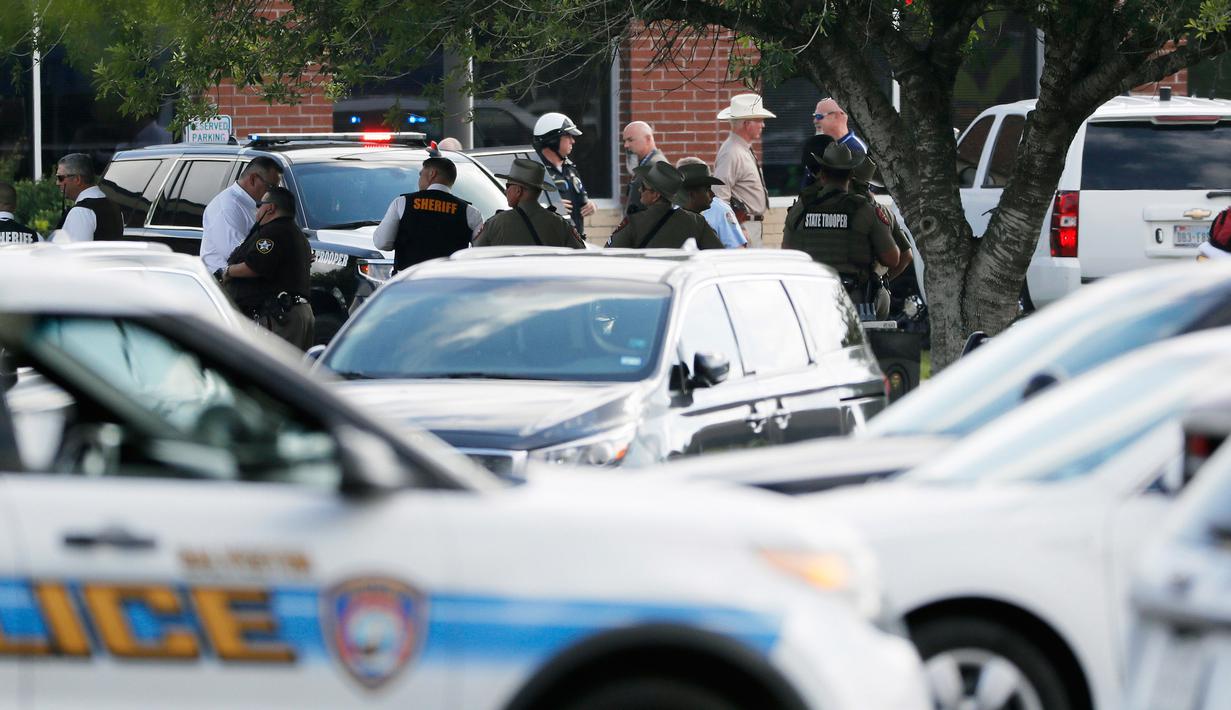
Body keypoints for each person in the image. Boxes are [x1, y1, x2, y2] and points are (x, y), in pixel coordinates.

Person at [783, 143, 899, 317]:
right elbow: (893, 258)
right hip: (855, 303)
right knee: (882, 295)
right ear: (851, 175)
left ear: (822, 175)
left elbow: (787, 256)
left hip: (809, 301)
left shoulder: (800, 210)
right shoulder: (865, 210)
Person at [223, 186, 314, 349]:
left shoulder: (273, 233)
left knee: (274, 369)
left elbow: (255, 267)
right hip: (294, 313)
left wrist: (228, 272)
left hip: (281, 317)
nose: (257, 209)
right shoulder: (295, 233)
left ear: (270, 208)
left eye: (260, 205)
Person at [373, 156, 482, 272]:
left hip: (409, 281)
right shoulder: (470, 211)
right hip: (450, 282)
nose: (419, 179)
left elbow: (382, 243)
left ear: (432, 174)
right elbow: (480, 252)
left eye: (420, 174)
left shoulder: (403, 203)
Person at [606, 162, 724, 250]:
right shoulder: (697, 222)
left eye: (643, 187)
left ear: (656, 195)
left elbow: (610, 254)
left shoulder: (634, 222)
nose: (639, 190)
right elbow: (717, 257)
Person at [201, 156, 283, 279]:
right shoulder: (227, 207)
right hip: (225, 288)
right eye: (271, 187)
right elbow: (239, 257)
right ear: (253, 179)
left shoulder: (253, 204)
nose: (274, 194)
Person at [475, 159, 585, 248]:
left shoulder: (495, 223)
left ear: (518, 191)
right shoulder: (561, 224)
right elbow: (579, 254)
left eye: (508, 186)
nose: (505, 191)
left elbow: (474, 253)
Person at [713, 93, 775, 248]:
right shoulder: (732, 152)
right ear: (747, 124)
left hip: (749, 225)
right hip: (744, 227)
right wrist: (736, 229)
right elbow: (719, 196)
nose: (763, 125)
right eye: (759, 120)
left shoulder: (740, 148)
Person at [850, 156, 913, 282]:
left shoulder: (827, 204)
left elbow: (903, 256)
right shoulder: (882, 211)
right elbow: (907, 256)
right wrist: (882, 282)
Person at [533, 112, 594, 236]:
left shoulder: (570, 169)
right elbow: (525, 209)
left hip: (576, 241)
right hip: (551, 243)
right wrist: (550, 208)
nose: (573, 141)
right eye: (568, 136)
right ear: (553, 139)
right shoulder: (537, 172)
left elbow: (581, 200)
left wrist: (590, 205)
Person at [674, 158, 746, 249]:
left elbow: (737, 249)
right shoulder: (671, 212)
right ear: (692, 194)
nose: (713, 194)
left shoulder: (721, 210)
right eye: (707, 190)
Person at [53, 153, 122, 242]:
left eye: (60, 178)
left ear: (77, 179)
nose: (57, 183)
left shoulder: (81, 211)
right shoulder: (114, 206)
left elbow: (77, 253)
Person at [621, 121, 668, 215]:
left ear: (648, 139)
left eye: (630, 140)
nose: (626, 145)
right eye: (624, 141)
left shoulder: (654, 166)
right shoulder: (648, 164)